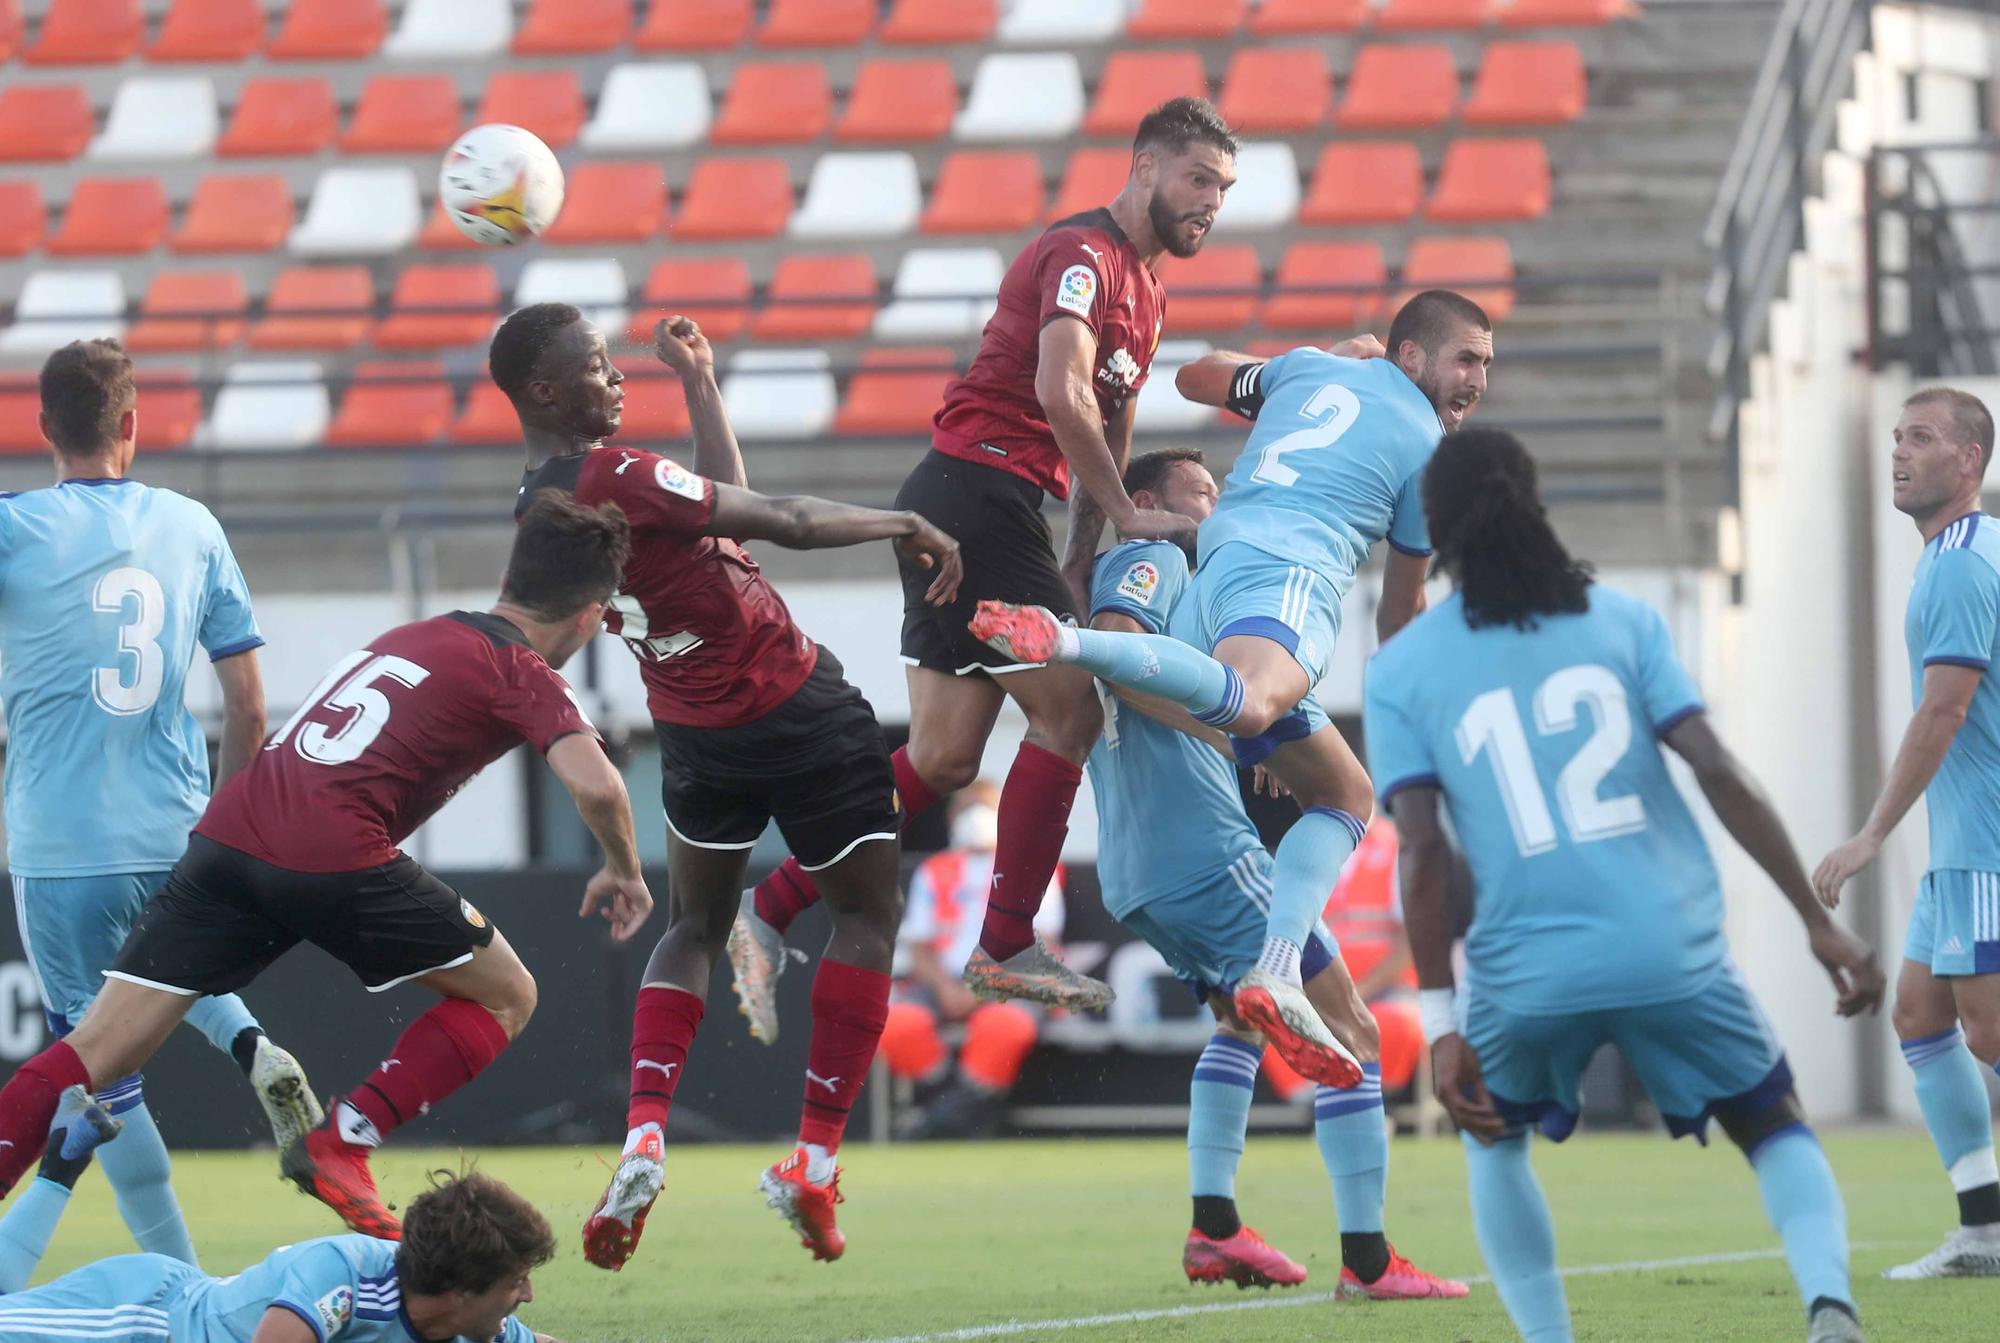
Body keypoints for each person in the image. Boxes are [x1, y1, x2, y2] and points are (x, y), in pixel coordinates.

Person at [0, 492, 653, 1246]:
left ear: (511, 573)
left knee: (87, 1053)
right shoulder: (521, 668)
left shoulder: (415, 633)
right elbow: (599, 782)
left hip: (225, 837)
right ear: (590, 615)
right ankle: (345, 1138)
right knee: (509, 992)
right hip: (331, 848)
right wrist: (625, 869)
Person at [1366, 426, 1884, 1343]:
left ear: (1434, 525)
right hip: (1670, 950)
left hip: (1526, 974)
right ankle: (1828, 1302)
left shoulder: (1401, 669)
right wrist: (1816, 922)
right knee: (1773, 1124)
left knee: (1493, 1135)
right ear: (1535, 503)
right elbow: (1719, 772)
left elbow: (1421, 850)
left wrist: (1441, 1024)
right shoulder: (1622, 621)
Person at [732, 97, 1242, 1016]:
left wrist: (1086, 550)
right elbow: (1059, 391)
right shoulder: (1082, 256)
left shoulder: (1150, 291)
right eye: (1198, 178)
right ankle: (1004, 944)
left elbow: (1108, 423)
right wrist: (1129, 513)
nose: (1211, 201)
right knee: (1072, 715)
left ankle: (765, 907)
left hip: (970, 500)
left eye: (1224, 188)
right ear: (1144, 168)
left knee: (940, 758)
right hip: (977, 495)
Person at [495, 304, 960, 1269]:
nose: (616, 378)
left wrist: (699, 381)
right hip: (794, 705)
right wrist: (902, 521)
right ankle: (814, 1161)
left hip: (696, 734)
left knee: (691, 928)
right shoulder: (618, 471)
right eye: (595, 366)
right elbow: (784, 521)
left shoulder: (540, 503)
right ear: (546, 391)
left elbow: (728, 504)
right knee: (866, 917)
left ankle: (645, 1137)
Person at [972, 291, 1494, 1084]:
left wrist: (1315, 362)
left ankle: (1221, 1185)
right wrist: (1415, 705)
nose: (1479, 380)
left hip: (1216, 581)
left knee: (1346, 794)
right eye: (1467, 359)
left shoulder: (1311, 371)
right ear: (1411, 356)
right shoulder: (1427, 445)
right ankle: (1062, 639)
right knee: (1354, 1033)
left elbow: (1193, 378)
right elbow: (1400, 606)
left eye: (1487, 365)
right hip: (1286, 580)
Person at [1084, 447, 1465, 1300]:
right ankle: (1369, 1264)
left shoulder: (1186, 585)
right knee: (1353, 1032)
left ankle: (1215, 1226)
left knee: (1241, 1020)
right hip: (1205, 855)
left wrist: (1247, 728)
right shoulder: (1148, 559)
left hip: (1139, 866)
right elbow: (1112, 652)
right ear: (1143, 501)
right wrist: (1235, 728)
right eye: (1199, 488)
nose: (1217, 499)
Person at [0, 338, 316, 1270]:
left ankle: (179, 1284)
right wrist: (229, 827)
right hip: (177, 830)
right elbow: (250, 702)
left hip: (60, 850)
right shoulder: (193, 524)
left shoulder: (15, 527)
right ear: (131, 425)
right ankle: (251, 1039)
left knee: (98, 1069)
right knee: (169, 975)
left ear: (42, 428)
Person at [1813, 386, 2000, 1280]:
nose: (1898, 452)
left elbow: (1946, 710)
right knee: (1922, 1015)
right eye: (1895, 437)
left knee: (1991, 1033)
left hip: (1989, 842)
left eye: (1920, 438)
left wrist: (1870, 834)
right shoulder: (1953, 555)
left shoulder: (1963, 562)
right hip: (1963, 842)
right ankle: (1984, 1230)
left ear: (1968, 461)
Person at [0, 1097, 565, 1343]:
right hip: (134, 1321)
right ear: (462, 1290)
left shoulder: (476, 1325)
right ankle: (59, 1166)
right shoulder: (345, 1275)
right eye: (516, 1280)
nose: (529, 1294)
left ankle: (60, 1166)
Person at [877, 780, 1064, 1140]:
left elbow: (1042, 945)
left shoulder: (1033, 867)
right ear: (951, 818)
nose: (975, 817)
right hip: (942, 984)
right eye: (966, 808)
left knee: (1005, 1027)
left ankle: (942, 1121)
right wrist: (948, 988)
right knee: (895, 1024)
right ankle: (958, 1106)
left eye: (986, 808)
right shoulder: (935, 870)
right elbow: (920, 947)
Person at [1261, 819, 1425, 1105]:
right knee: (1271, 1022)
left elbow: (1412, 942)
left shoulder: (1396, 848)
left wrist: (1357, 992)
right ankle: (1324, 1110)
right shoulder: (1303, 850)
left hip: (1387, 991)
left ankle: (1371, 1107)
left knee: (1390, 1023)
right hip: (1315, 990)